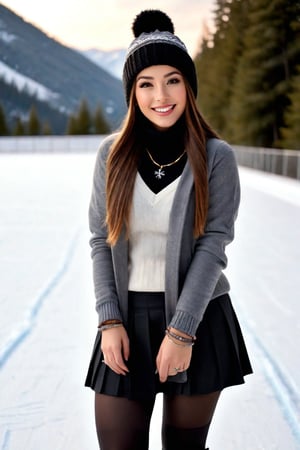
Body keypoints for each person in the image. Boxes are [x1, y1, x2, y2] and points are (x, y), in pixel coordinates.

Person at [85, 9, 252, 450]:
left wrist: (181, 332)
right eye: (146, 83)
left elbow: (213, 246)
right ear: (132, 92)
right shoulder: (112, 156)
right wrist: (109, 320)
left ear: (188, 86)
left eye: (173, 79)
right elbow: (101, 240)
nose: (161, 94)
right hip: (125, 319)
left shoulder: (216, 158)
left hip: (199, 317)